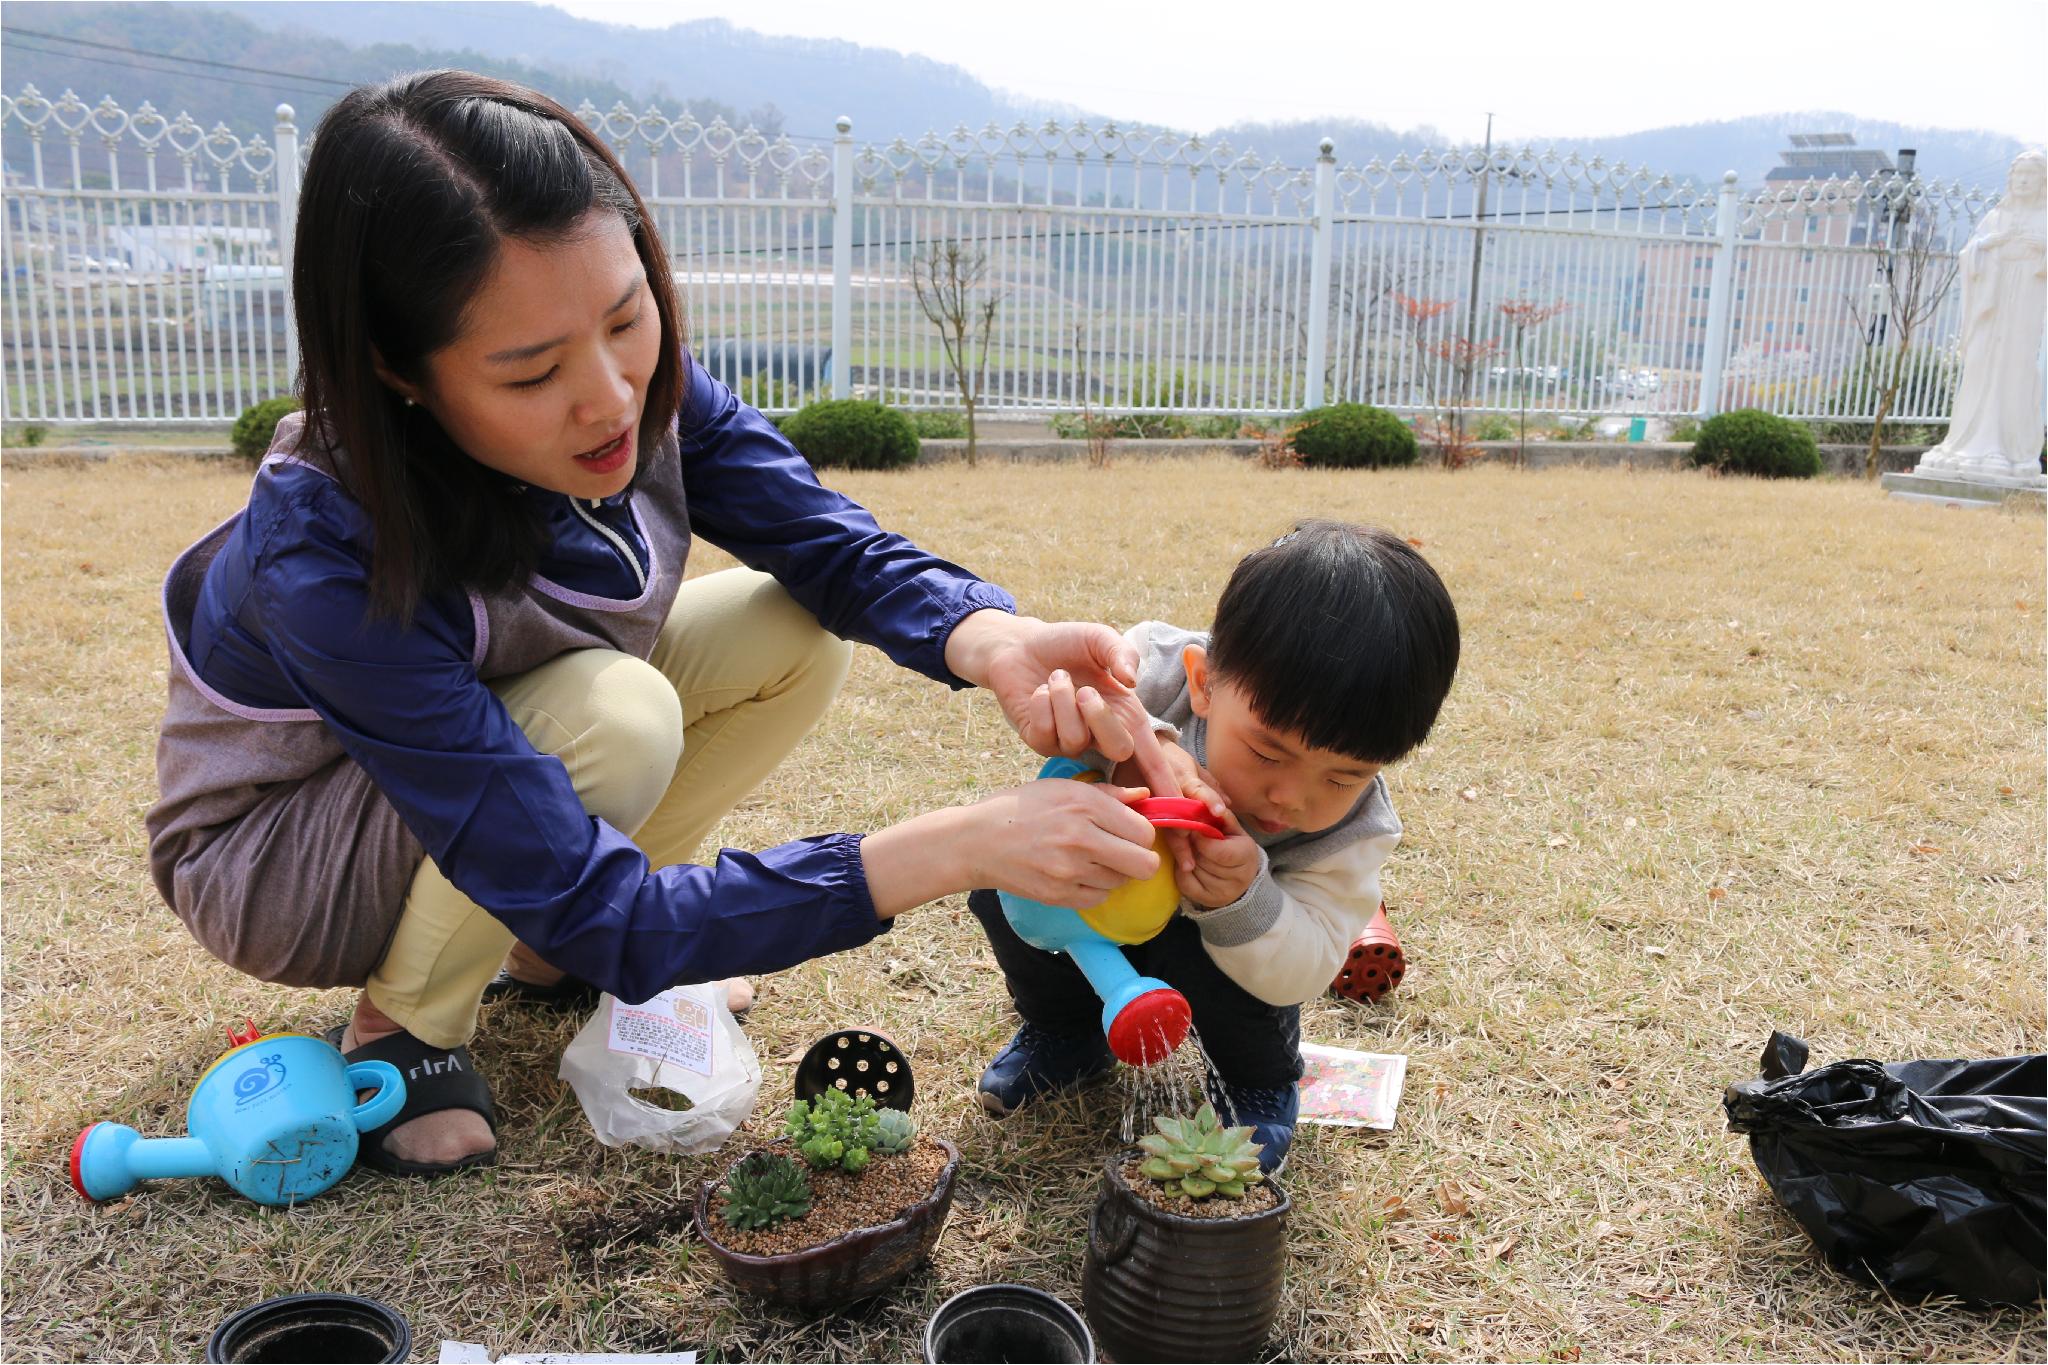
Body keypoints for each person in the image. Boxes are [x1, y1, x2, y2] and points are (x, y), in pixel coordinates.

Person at [145, 70, 1177, 1177]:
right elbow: (592, 874)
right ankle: (405, 1027)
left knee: (788, 632)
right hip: (285, 849)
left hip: (501, 772)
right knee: (615, 716)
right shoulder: (325, 543)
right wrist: (957, 847)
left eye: (626, 318)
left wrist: (989, 638)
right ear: (398, 371)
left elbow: (822, 539)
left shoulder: (643, 386)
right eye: (532, 371)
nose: (609, 396)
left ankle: (544, 955)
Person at [969, 521, 1460, 1169]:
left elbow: (1306, 965)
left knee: (1233, 975)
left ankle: (1257, 1083)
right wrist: (1149, 748)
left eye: (1342, 776)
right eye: (1266, 751)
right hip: (1097, 911)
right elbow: (1075, 700)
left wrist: (1244, 899)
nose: (1290, 796)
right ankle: (1066, 1031)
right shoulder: (1153, 671)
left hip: (1225, 963)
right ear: (1203, 683)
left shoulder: (1355, 831)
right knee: (1005, 890)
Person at [1917, 150, 2047, 479]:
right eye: (2018, 174)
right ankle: (1970, 442)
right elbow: (1969, 253)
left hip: (2027, 302)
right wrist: (1988, 244)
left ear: (2043, 181)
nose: (2022, 180)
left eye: (2030, 175)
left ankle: (2008, 448)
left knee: (2016, 367)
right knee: (1981, 365)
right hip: (1993, 301)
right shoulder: (1995, 218)